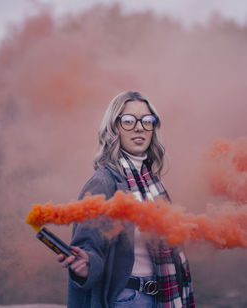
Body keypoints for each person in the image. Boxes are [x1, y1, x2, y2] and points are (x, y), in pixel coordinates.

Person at [58, 91, 195, 307]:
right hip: (129, 299)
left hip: (160, 296)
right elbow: (87, 244)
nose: (139, 127)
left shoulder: (152, 183)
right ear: (114, 128)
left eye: (147, 121)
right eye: (129, 121)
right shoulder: (104, 182)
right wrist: (86, 263)